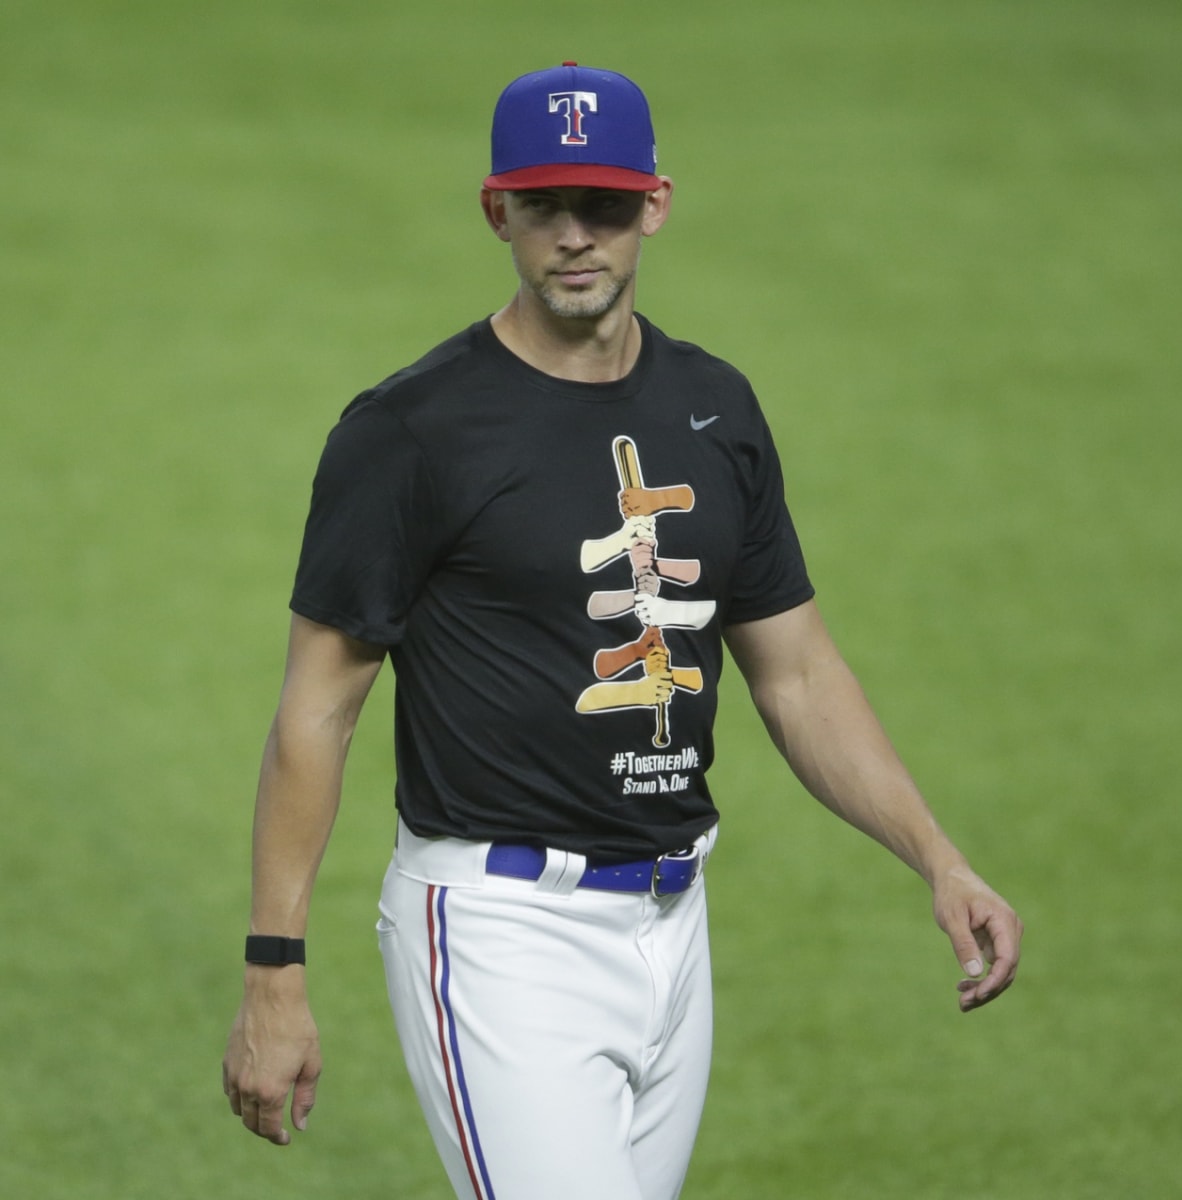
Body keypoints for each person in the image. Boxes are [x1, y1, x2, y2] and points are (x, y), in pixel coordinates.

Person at [222, 62, 1022, 1200]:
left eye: (602, 204)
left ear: (655, 202)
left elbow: (794, 670)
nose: (575, 237)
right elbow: (318, 707)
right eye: (544, 205)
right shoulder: (410, 432)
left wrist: (937, 857)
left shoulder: (715, 409)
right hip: (501, 934)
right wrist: (274, 972)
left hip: (673, 929)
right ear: (498, 210)